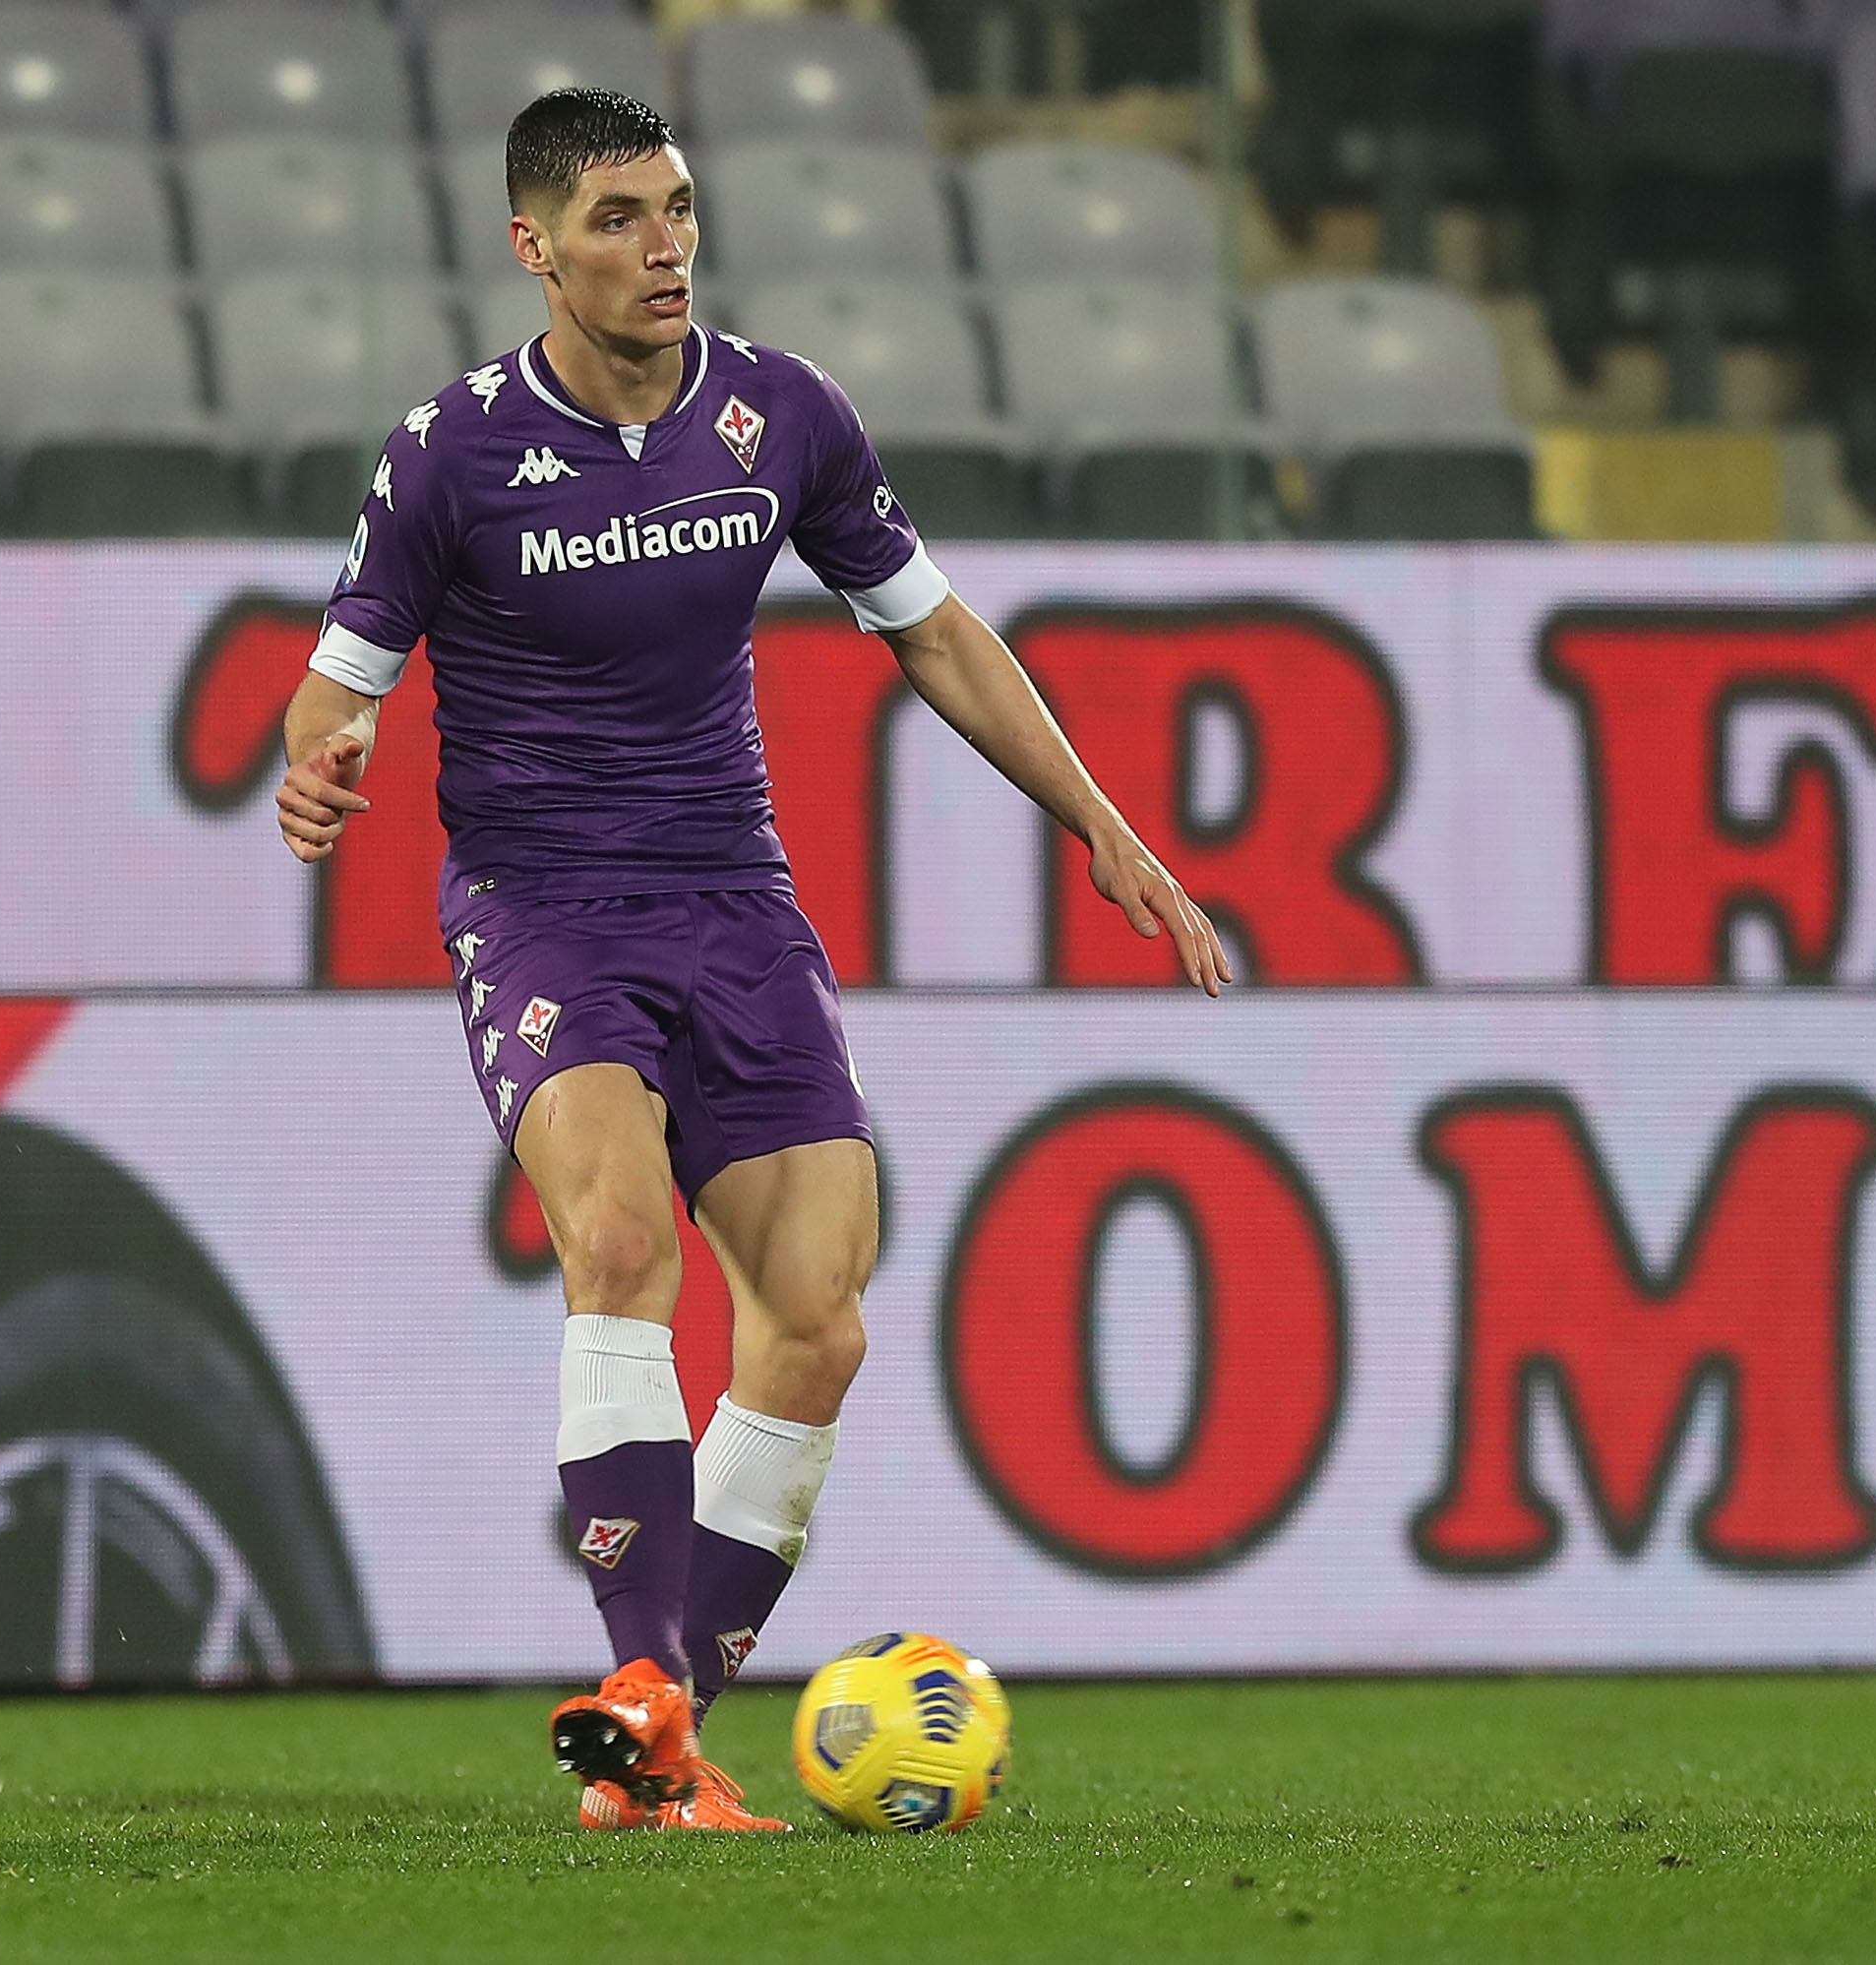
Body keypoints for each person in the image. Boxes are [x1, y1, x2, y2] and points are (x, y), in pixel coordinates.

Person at [272, 88, 1228, 1832]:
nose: (667, 248)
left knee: (817, 1323)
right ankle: (642, 1675)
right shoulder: (451, 451)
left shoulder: (782, 415)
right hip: (543, 904)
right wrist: (320, 758)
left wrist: (1101, 821)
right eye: (621, 218)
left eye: (680, 209)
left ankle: (656, 1740)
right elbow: (339, 679)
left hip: (733, 899)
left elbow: (934, 631)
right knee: (618, 1238)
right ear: (535, 246)